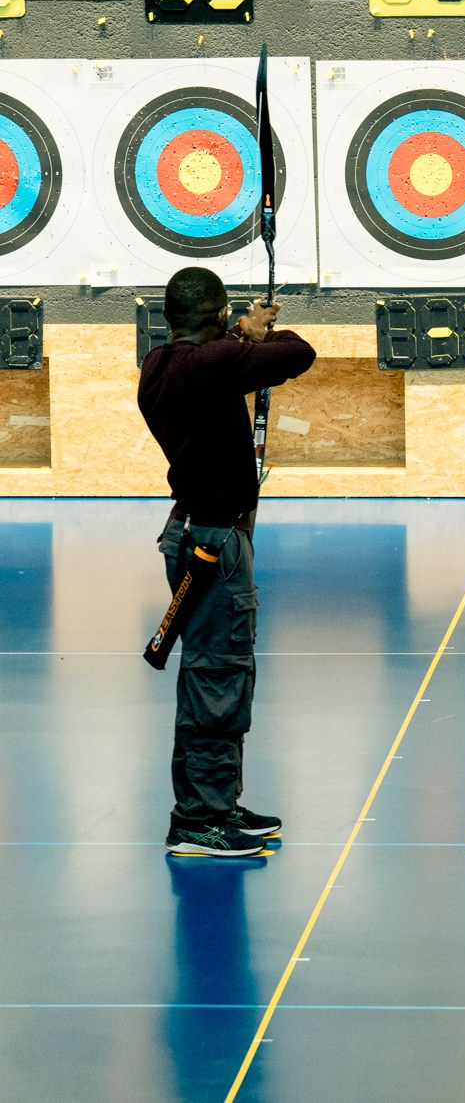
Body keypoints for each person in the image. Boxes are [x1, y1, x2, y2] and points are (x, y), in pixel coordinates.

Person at [138, 267, 315, 858]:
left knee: (214, 676)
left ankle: (216, 804)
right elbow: (299, 353)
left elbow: (221, 359)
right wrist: (256, 335)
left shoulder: (158, 365)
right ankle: (200, 821)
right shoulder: (211, 365)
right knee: (217, 679)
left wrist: (239, 335)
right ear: (217, 315)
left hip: (191, 534)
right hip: (213, 544)